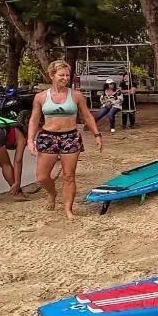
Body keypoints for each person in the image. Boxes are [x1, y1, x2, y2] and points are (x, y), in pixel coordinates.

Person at [27, 59, 102, 220]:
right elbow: (34, 119)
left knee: (69, 175)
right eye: (61, 75)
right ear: (51, 75)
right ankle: (52, 193)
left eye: (67, 75)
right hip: (48, 137)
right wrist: (29, 140)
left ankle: (68, 209)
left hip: (70, 137)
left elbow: (87, 116)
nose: (65, 78)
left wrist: (97, 135)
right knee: (42, 177)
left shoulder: (76, 95)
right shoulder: (40, 97)